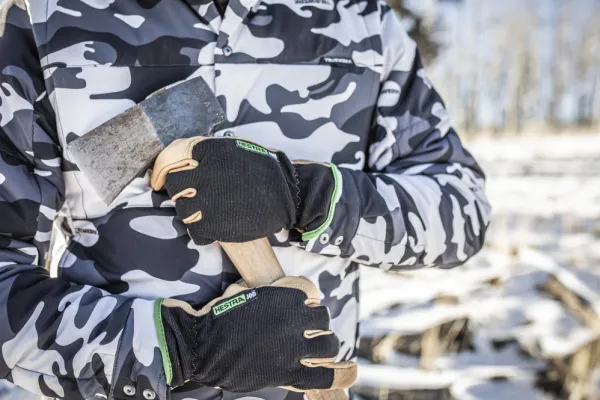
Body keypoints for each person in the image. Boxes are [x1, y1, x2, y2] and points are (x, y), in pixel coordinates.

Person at [0, 0, 491, 399]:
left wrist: (308, 196)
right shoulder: (51, 16)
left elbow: (462, 210)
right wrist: (181, 349)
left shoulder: (362, 20)